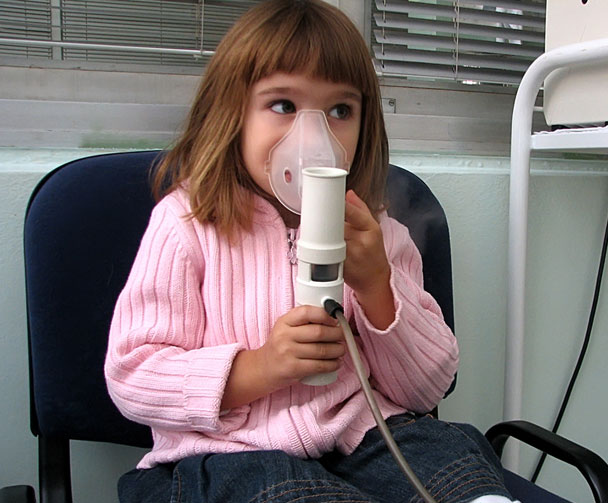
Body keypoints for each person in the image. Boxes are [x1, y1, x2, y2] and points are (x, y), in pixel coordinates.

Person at [105, 1, 518, 502]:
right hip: (229, 453)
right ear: (232, 113)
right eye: (283, 105)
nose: (313, 136)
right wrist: (260, 367)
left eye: (340, 111)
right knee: (288, 491)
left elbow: (426, 390)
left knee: (451, 457)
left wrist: (377, 286)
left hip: (361, 437)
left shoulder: (380, 237)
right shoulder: (188, 225)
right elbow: (132, 375)